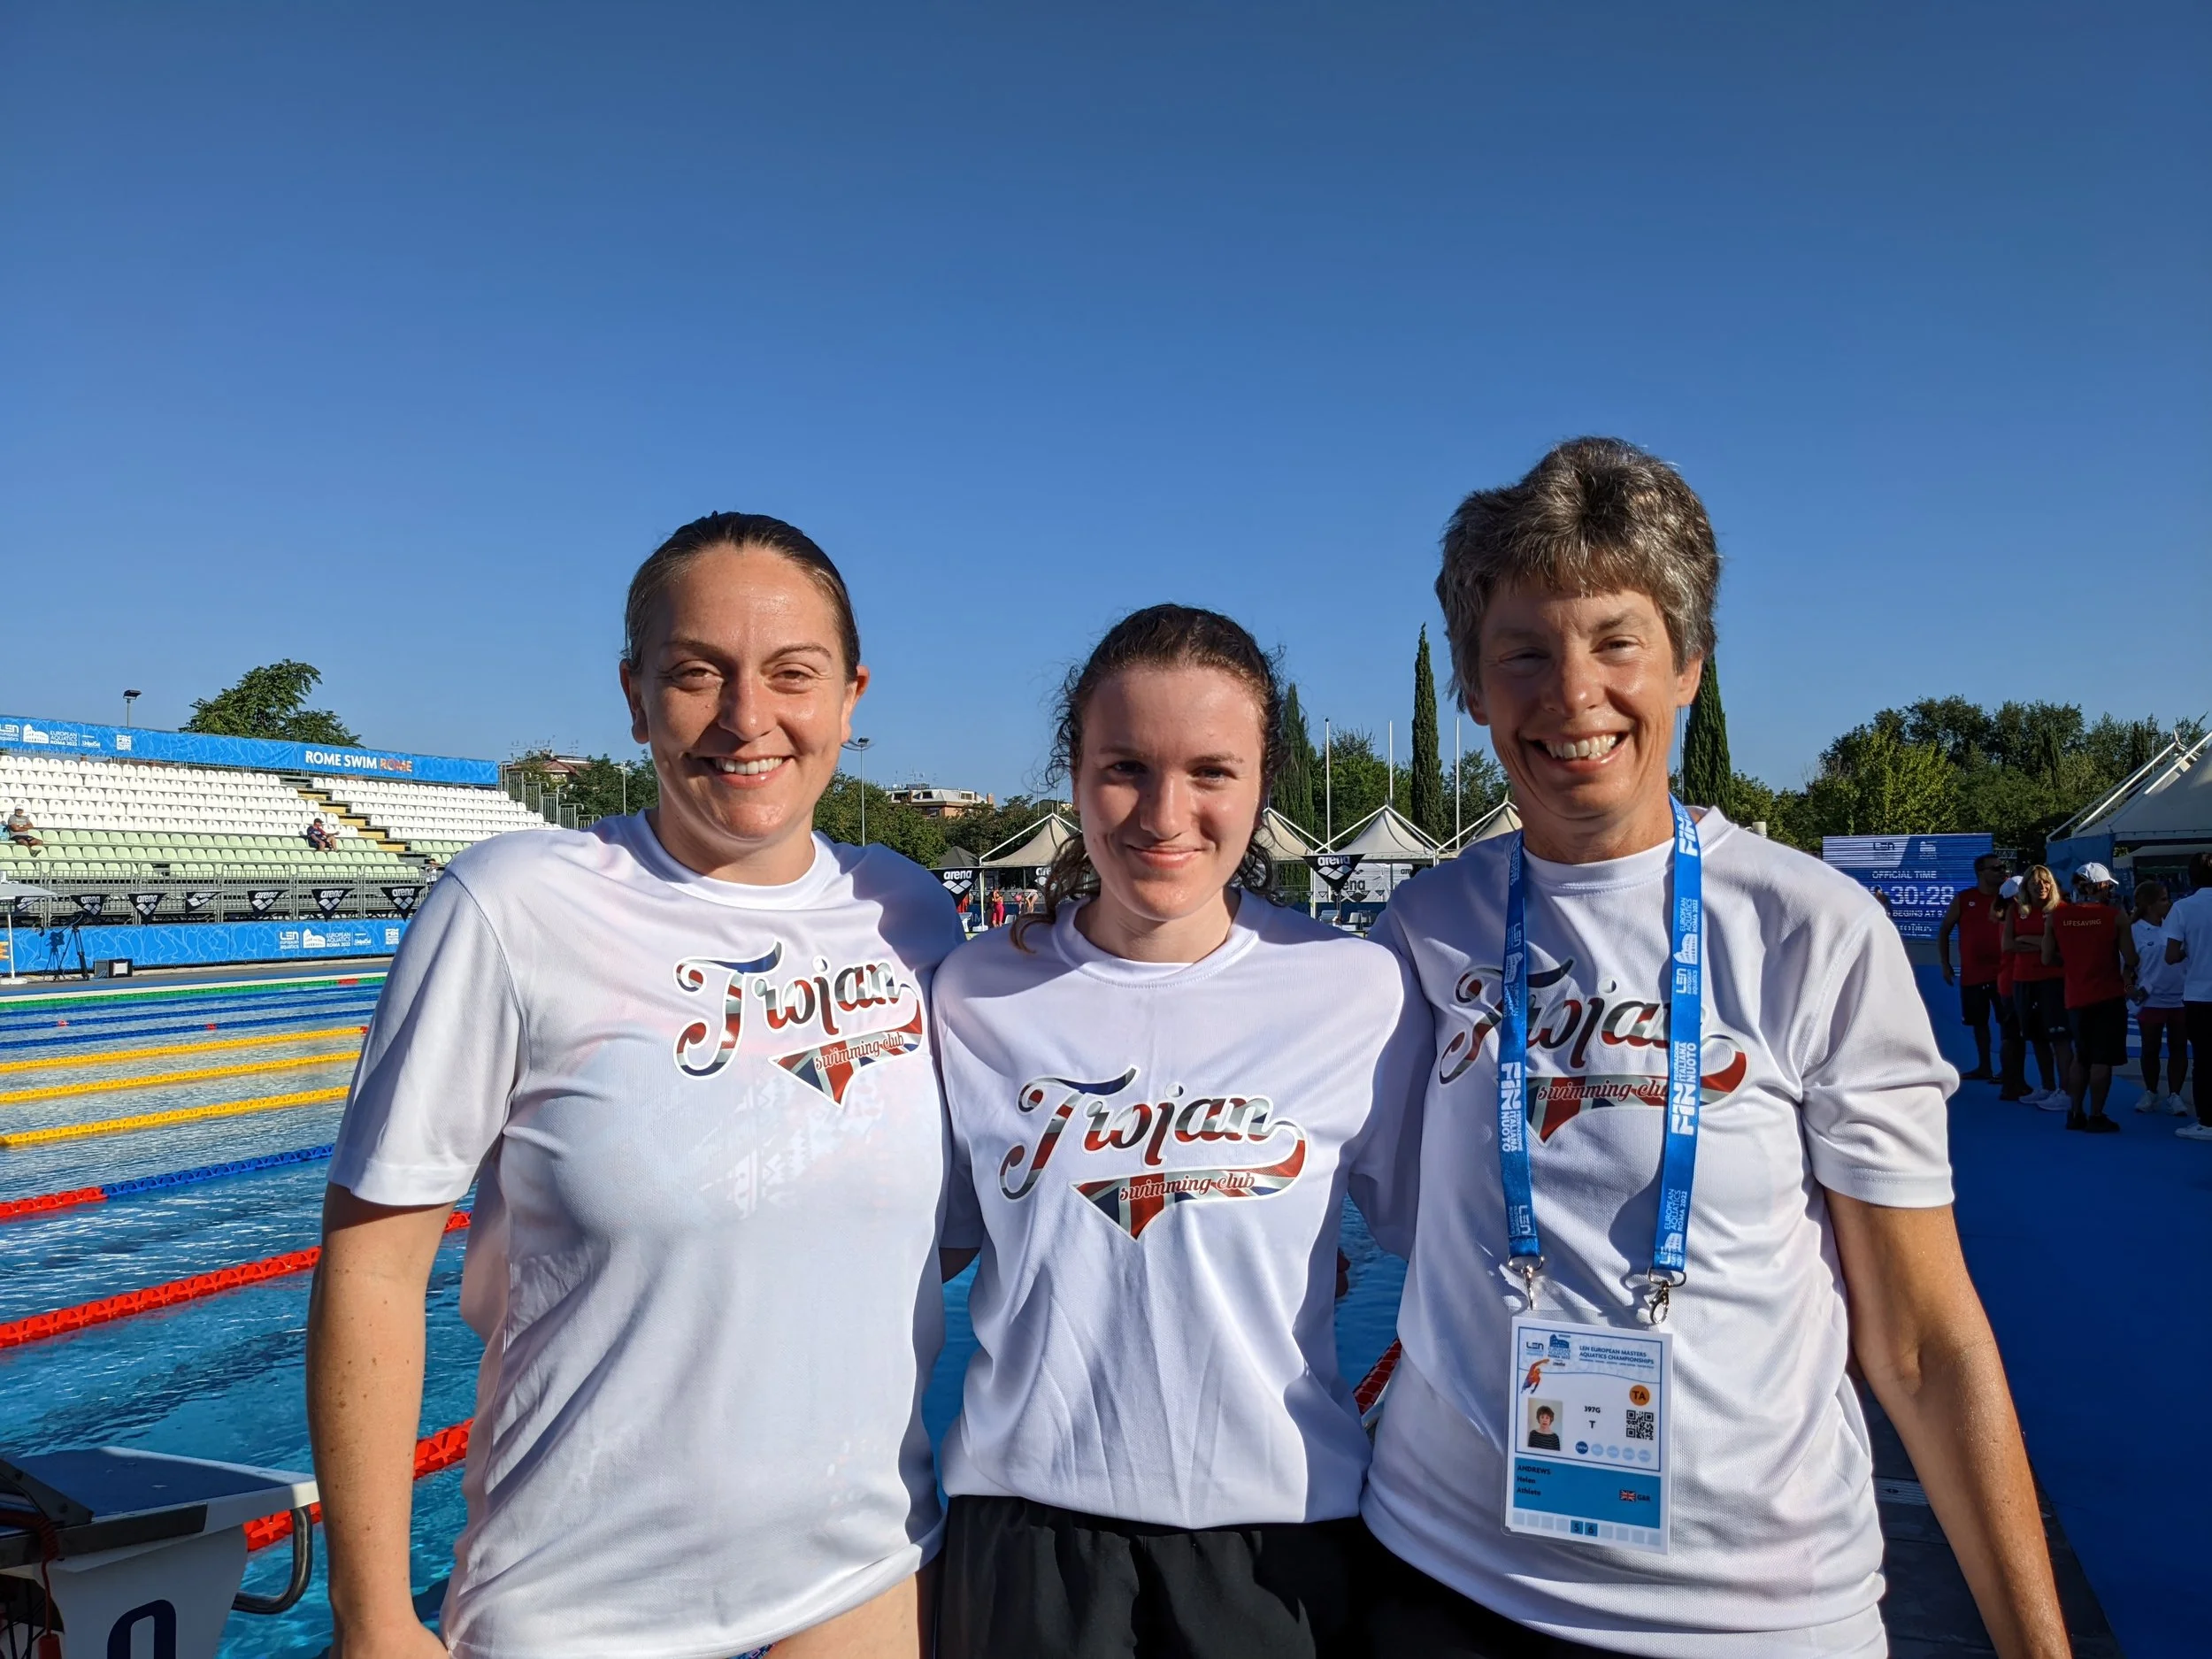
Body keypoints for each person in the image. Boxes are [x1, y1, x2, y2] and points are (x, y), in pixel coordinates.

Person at [1361, 439, 2066, 1658]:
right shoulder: (1423, 930)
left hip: (1757, 1609)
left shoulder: (1807, 929)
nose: (1572, 692)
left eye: (1618, 640)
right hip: (1449, 1575)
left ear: (1688, 663)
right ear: (1474, 689)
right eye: (1523, 650)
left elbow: (1921, 1336)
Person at [308, 511, 962, 1659]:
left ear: (852, 697)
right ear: (635, 693)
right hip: (579, 1607)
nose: (747, 717)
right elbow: (372, 1264)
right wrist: (372, 1617)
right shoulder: (512, 906)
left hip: (863, 1580)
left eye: (791, 674)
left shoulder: (910, 913)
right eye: (696, 672)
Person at [931, 604, 1429, 1659]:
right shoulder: (975, 991)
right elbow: (906, 1253)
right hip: (1027, 1540)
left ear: (1262, 780)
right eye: (1125, 768)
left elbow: (1449, 1248)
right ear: (1073, 775)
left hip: (1279, 1543)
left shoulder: (1353, 990)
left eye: (1211, 770)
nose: (1165, 813)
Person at [2040, 862, 2136, 1133]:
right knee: (2101, 1059)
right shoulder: (2115, 916)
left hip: (2075, 996)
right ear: (2102, 886)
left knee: (2080, 1057)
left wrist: (2074, 961)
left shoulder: (2057, 917)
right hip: (2108, 995)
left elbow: (2047, 958)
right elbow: (2131, 958)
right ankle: (2096, 1115)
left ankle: (2075, 1112)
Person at [2001, 864, 2073, 1111]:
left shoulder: (2062, 911)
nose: (2041, 887)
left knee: (2060, 1038)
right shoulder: (2016, 910)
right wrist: (2044, 944)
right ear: (2026, 887)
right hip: (2023, 980)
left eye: (2045, 882)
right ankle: (2047, 1086)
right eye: (2035, 883)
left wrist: (2031, 942)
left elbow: (2064, 948)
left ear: (2052, 885)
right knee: (2036, 1037)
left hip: (2054, 981)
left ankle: (2066, 1090)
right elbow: (2009, 944)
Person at [1937, 853, 2014, 1082]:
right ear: (1981, 872)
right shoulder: (1964, 898)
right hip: (1973, 975)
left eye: (2003, 867)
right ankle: (1984, 1067)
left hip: (2004, 974)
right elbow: (1944, 930)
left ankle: (2009, 1070)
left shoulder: (2009, 900)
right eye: (1996, 868)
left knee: (2008, 1024)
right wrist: (1945, 963)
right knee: (1978, 1024)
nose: (2002, 871)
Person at [2162, 851, 2212, 1142]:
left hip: (2200, 994)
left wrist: (2189, 951)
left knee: (2205, 1059)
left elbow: (2171, 955)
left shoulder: (2183, 907)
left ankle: (2207, 1121)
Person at [2129, 879, 2190, 1116]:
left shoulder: (2177, 925)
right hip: (2151, 998)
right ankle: (2151, 1091)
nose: (2168, 903)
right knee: (2150, 1049)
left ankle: (2175, 1095)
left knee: (2179, 1048)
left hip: (2182, 997)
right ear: (2148, 904)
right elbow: (2126, 968)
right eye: (2163, 899)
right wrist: (2128, 988)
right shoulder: (2134, 931)